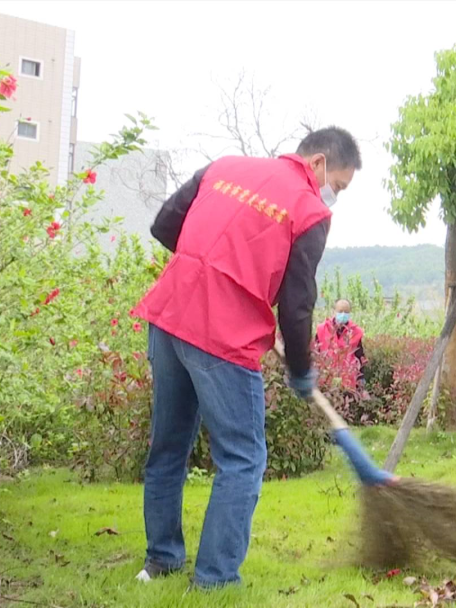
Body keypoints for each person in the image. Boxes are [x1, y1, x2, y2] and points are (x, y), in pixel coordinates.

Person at [131, 127, 363, 588]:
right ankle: (215, 579)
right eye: (338, 185)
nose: (333, 196)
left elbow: (163, 224)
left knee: (168, 448)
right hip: (223, 336)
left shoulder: (224, 168)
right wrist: (301, 369)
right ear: (317, 164)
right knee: (243, 458)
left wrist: (205, 267)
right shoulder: (309, 210)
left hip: (169, 314)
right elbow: (297, 305)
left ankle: (161, 560)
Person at [315, 299, 368, 394]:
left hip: (347, 383)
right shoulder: (322, 329)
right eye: (340, 311)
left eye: (346, 312)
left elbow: (360, 356)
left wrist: (361, 378)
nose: (343, 315)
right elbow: (314, 353)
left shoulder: (355, 332)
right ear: (334, 311)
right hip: (326, 380)